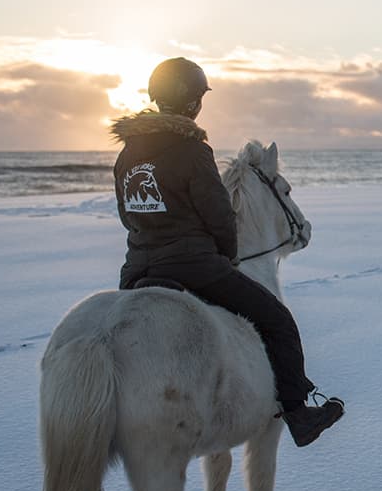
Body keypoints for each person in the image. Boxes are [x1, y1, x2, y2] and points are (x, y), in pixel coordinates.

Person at [110, 57, 344, 448]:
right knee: (278, 320)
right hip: (195, 267)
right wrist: (225, 257)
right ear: (191, 102)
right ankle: (300, 414)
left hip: (135, 271)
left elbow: (126, 215)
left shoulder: (127, 155)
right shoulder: (192, 151)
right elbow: (219, 216)